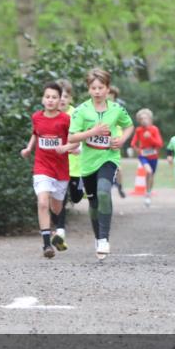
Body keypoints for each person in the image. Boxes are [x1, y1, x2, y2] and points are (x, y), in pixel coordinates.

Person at [68, 68, 134, 259]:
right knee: (94, 202)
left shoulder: (116, 109)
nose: (97, 91)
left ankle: (104, 239)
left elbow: (129, 125)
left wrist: (122, 140)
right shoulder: (81, 110)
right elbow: (72, 137)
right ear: (89, 89)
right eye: (93, 88)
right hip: (88, 163)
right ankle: (98, 237)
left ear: (107, 89)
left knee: (104, 191)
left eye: (101, 87)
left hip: (109, 158)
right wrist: (92, 133)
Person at [20, 81, 77, 258]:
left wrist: (67, 148)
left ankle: (55, 232)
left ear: (60, 100)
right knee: (43, 202)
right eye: (47, 97)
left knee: (56, 206)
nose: (50, 100)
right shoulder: (36, 117)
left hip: (61, 169)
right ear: (42, 99)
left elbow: (75, 140)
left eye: (54, 97)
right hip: (42, 166)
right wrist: (29, 148)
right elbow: (36, 133)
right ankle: (47, 245)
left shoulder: (66, 120)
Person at [54, 79, 83, 248]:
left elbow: (84, 135)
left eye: (66, 96)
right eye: (60, 96)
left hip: (77, 166)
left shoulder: (77, 114)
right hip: (58, 166)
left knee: (77, 197)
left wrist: (78, 148)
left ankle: (83, 189)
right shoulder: (51, 115)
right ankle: (60, 231)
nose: (63, 99)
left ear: (71, 98)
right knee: (60, 199)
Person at [131, 108, 163, 208]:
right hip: (143, 156)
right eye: (141, 119)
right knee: (148, 172)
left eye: (146, 118)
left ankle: (148, 192)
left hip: (153, 156)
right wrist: (138, 150)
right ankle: (147, 192)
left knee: (151, 175)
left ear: (150, 119)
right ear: (139, 121)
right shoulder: (138, 130)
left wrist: (150, 137)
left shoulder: (154, 129)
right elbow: (133, 143)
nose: (144, 120)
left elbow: (160, 144)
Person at [108, 86, 128, 199]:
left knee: (118, 168)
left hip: (115, 140)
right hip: (102, 142)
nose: (109, 97)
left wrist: (121, 138)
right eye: (108, 95)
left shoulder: (118, 109)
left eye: (112, 96)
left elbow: (126, 125)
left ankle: (120, 186)